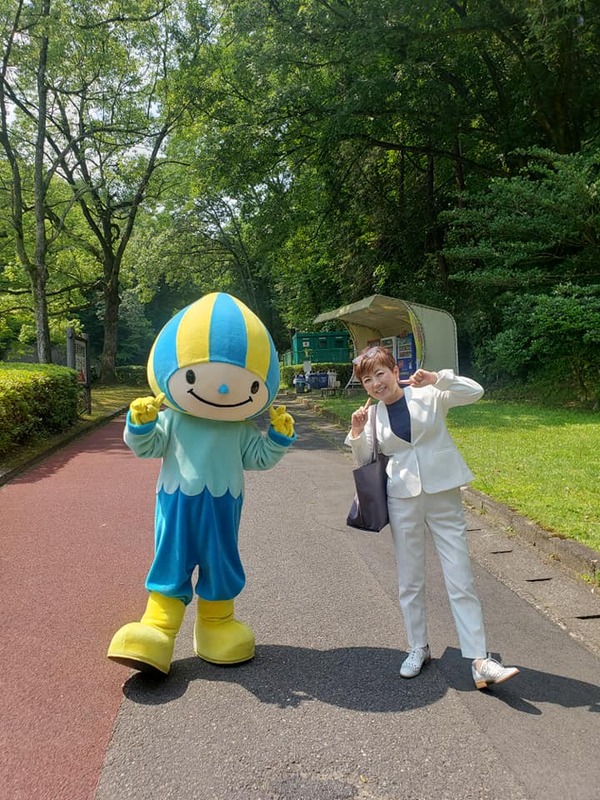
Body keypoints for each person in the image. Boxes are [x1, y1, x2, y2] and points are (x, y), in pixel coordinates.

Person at [346, 345, 519, 690]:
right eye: (367, 379)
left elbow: (474, 392)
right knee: (410, 578)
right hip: (401, 497)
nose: (376, 383)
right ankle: (417, 647)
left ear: (396, 371)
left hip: (443, 491)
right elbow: (364, 457)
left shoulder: (428, 393)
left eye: (380, 373)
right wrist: (355, 432)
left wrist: (438, 377)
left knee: (460, 575)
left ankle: (480, 660)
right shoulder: (374, 416)